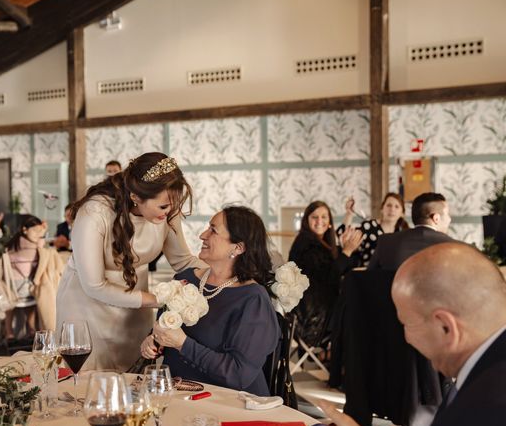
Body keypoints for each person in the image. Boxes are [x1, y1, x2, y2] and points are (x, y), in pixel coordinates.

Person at [280, 242, 506, 426]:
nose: (406, 338)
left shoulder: (492, 406)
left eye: (406, 324)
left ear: (445, 327)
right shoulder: (488, 365)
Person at [55, 152, 205, 371]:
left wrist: (233, 274)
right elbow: (94, 286)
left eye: (172, 206)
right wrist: (156, 299)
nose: (170, 212)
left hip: (134, 308)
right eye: (163, 207)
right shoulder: (94, 213)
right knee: (91, 383)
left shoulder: (166, 209)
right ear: (136, 196)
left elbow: (183, 261)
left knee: (132, 381)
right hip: (87, 309)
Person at [143, 206, 279, 396]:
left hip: (230, 405)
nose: (202, 235)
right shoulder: (184, 280)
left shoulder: (253, 299)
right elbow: (163, 329)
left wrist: (183, 344)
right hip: (178, 397)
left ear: (238, 248)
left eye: (213, 230)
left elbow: (239, 375)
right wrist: (153, 341)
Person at [288, 201, 363, 350]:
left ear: (329, 222)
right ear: (306, 221)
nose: (319, 221)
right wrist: (346, 251)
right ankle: (345, 365)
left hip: (320, 307)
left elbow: (339, 268)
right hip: (312, 316)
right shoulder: (306, 244)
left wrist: (348, 250)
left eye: (324, 217)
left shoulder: (320, 243)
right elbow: (330, 276)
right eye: (314, 217)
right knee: (360, 311)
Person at [0, 215, 65, 338]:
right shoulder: (35, 245)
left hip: (12, 288)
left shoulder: (13, 243)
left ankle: (9, 331)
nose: (37, 234)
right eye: (35, 231)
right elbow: (45, 247)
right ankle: (31, 328)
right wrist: (44, 231)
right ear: (25, 230)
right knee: (40, 289)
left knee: (14, 298)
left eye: (39, 231)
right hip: (29, 288)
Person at [367, 192, 453, 271]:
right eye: (447, 214)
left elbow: (369, 278)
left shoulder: (385, 242)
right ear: (436, 218)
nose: (449, 219)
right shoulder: (457, 248)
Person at [337, 193, 410, 267]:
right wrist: (349, 213)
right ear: (382, 209)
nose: (392, 209)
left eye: (397, 207)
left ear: (402, 213)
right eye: (389, 205)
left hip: (393, 275)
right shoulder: (369, 226)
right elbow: (344, 238)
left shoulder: (402, 233)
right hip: (367, 274)